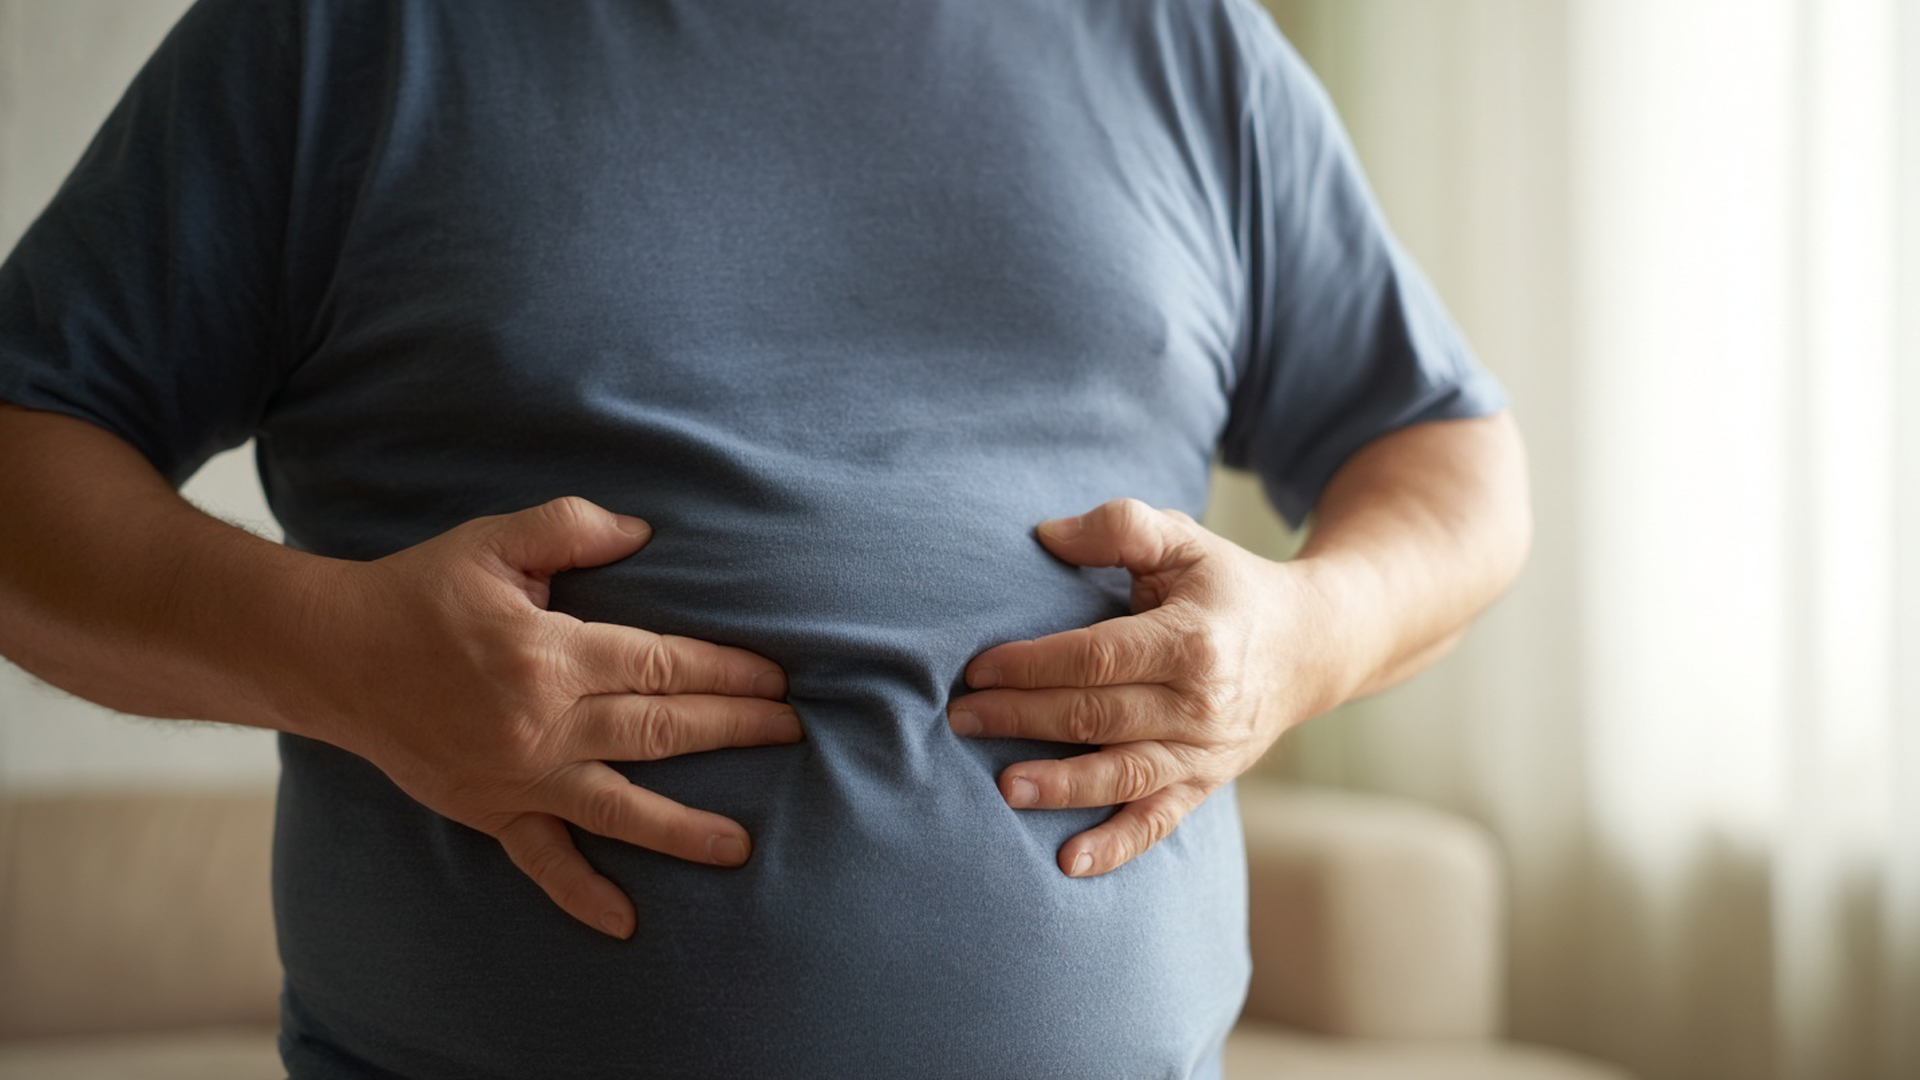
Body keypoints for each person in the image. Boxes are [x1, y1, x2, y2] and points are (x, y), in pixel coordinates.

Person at [0, 0, 1530, 1076]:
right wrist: (342, 663)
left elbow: (1454, 457)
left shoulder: (1183, 44)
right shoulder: (342, 34)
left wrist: (1300, 642)